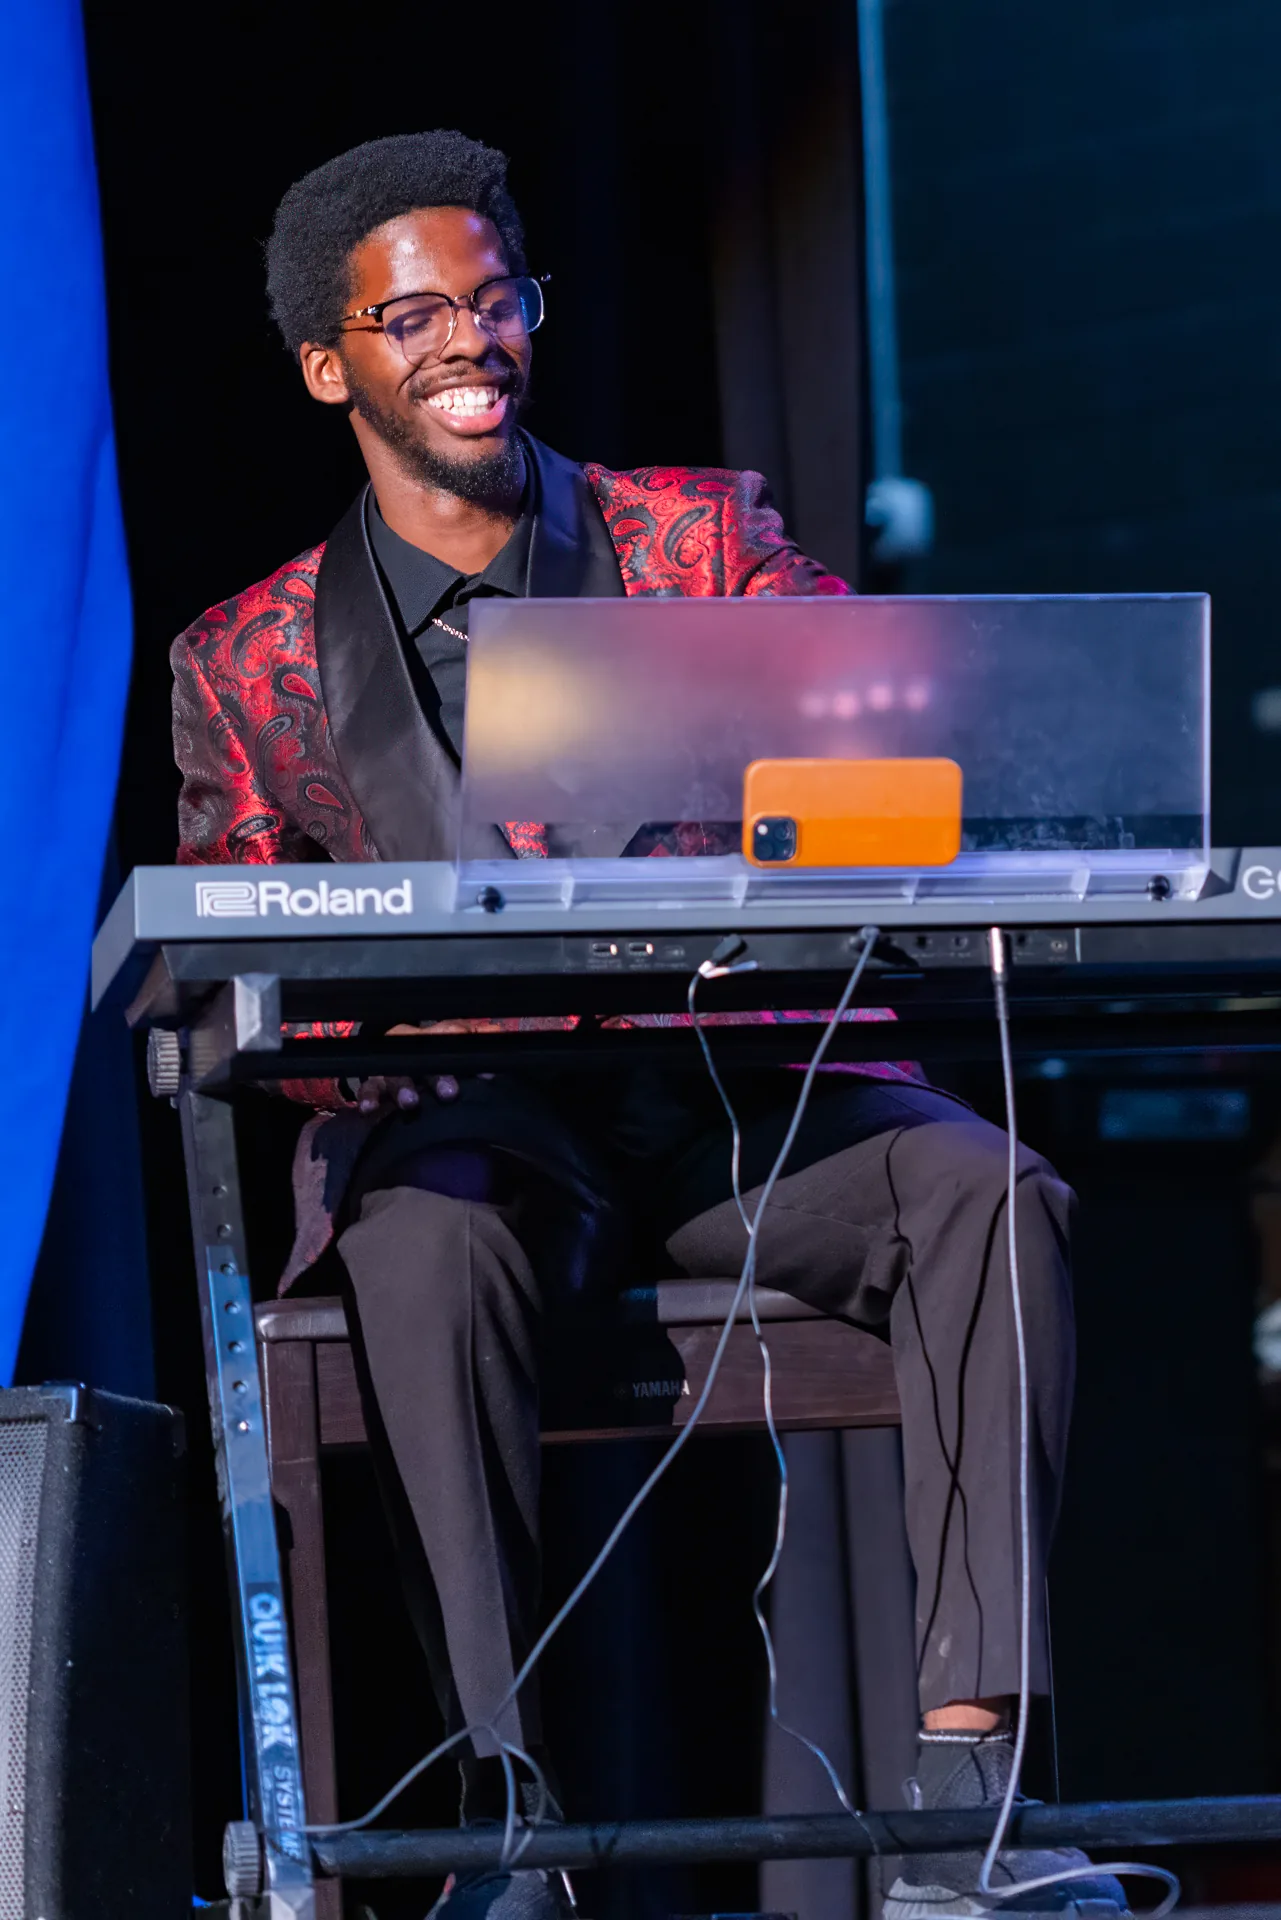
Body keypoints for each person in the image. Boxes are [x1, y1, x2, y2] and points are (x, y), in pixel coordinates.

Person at [170, 130, 1123, 1920]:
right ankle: (508, 1808)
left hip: (730, 1088)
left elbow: (875, 721)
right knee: (428, 1244)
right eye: (416, 314)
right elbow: (230, 950)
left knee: (994, 1193)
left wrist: (808, 762)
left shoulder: (695, 534)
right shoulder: (248, 655)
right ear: (334, 364)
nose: (471, 340)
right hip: (475, 1118)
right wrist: (346, 1044)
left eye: (496, 299)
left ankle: (966, 1794)